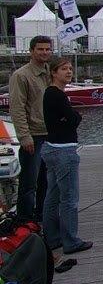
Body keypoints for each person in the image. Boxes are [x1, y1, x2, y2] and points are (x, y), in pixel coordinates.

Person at [42, 57, 93, 267]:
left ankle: (52, 237)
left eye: (70, 68)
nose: (69, 72)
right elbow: (72, 120)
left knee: (52, 195)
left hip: (50, 147)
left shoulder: (50, 94)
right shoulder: (57, 95)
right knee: (69, 198)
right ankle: (70, 240)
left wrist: (70, 117)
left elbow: (66, 119)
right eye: (64, 69)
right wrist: (74, 116)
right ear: (54, 72)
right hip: (64, 150)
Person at [9, 35, 52, 222]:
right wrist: (24, 136)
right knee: (29, 184)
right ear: (31, 51)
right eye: (40, 49)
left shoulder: (50, 72)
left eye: (47, 49)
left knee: (46, 181)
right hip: (33, 136)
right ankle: (24, 222)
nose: (44, 52)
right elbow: (17, 108)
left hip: (49, 134)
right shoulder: (21, 76)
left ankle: (41, 217)